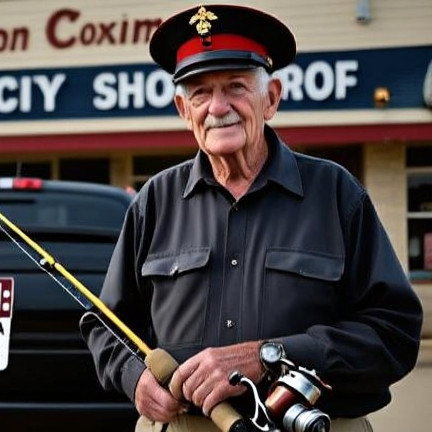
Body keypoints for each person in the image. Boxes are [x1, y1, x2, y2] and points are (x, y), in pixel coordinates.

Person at [80, 4, 423, 432]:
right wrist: (135, 378)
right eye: (200, 92)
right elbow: (106, 324)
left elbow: (394, 335)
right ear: (184, 111)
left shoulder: (336, 194)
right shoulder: (154, 201)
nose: (217, 106)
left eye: (236, 87)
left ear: (271, 98)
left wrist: (269, 355)